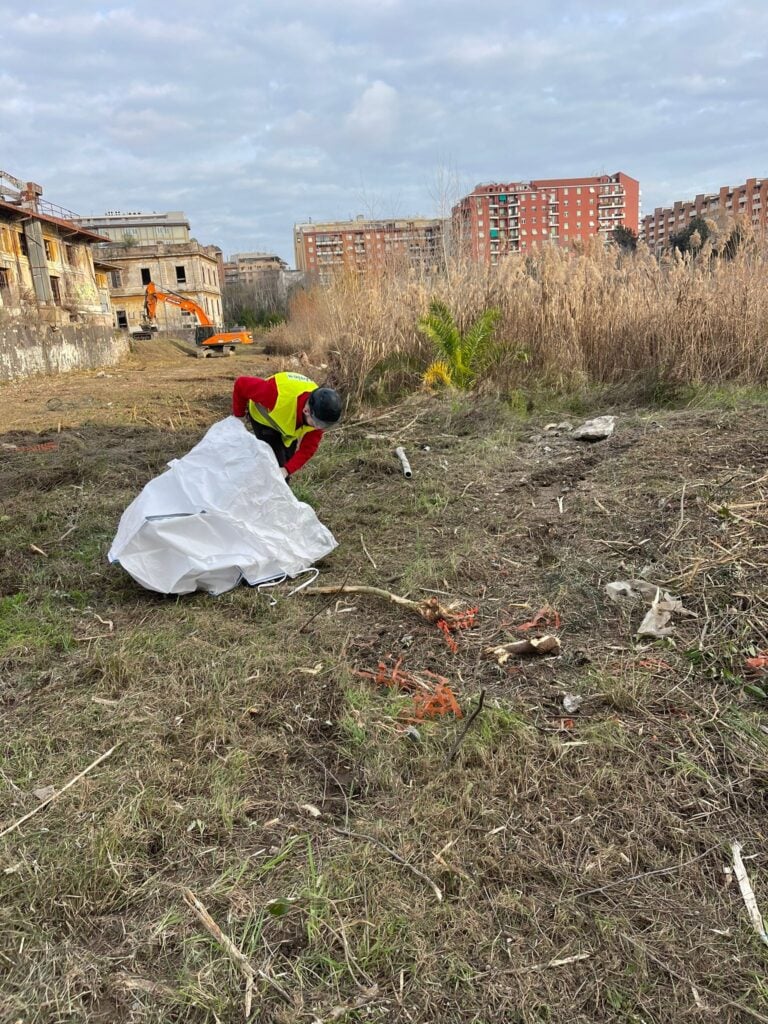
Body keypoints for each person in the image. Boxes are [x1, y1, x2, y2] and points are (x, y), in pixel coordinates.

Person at [232, 372, 342, 479]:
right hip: (265, 419)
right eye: (318, 424)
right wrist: (239, 417)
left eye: (325, 425)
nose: (319, 428)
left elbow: (308, 449)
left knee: (284, 468)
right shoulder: (274, 394)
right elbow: (241, 384)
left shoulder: (320, 415)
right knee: (274, 465)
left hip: (288, 426)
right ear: (306, 411)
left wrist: (286, 470)